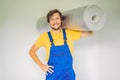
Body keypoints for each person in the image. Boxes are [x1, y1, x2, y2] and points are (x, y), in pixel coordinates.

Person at [29, 9, 93, 80]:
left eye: (57, 18)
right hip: (52, 74)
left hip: (68, 74)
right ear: (49, 22)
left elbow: (89, 33)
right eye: (52, 19)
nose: (55, 21)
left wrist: (91, 23)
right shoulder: (44, 37)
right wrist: (41, 65)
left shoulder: (69, 33)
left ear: (61, 20)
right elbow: (31, 51)